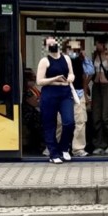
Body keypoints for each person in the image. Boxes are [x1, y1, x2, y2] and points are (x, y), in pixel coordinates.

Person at [36, 36, 75, 164]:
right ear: (46, 47)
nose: (52, 45)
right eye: (49, 44)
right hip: (49, 94)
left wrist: (70, 78)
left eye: (54, 43)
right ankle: (53, 153)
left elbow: (71, 73)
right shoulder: (44, 61)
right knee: (49, 124)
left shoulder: (67, 58)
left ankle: (64, 148)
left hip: (65, 93)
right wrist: (55, 78)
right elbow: (39, 81)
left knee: (69, 122)